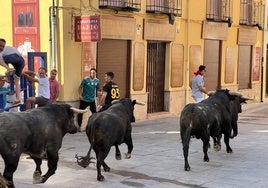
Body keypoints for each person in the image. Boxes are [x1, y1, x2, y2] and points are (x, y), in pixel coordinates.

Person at [0, 38, 25, 105]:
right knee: (16, 80)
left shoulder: (1, 52)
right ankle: (19, 100)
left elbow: (1, 61)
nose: (1, 47)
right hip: (21, 61)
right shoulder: (8, 49)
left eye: (2, 46)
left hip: (14, 57)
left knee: (2, 60)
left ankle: (10, 70)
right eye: (0, 46)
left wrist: (8, 68)